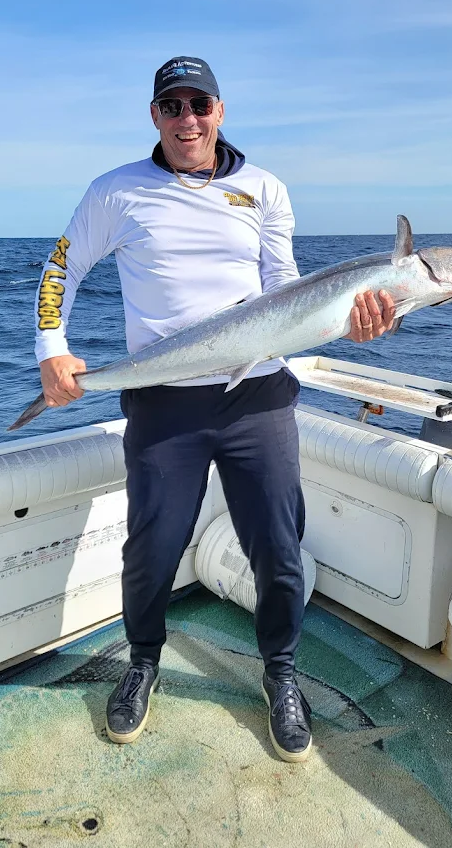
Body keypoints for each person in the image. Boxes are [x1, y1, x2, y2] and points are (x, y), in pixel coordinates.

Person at [33, 57, 395, 763]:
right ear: (155, 116)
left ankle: (281, 674)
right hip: (163, 404)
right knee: (152, 551)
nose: (187, 119)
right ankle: (142, 661)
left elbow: (284, 288)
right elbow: (60, 267)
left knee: (278, 552)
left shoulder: (264, 189)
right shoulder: (117, 192)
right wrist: (52, 347)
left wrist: (342, 321)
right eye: (172, 106)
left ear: (220, 110)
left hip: (258, 397)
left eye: (199, 103)